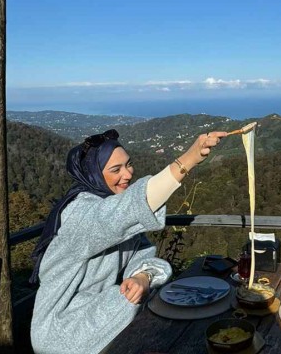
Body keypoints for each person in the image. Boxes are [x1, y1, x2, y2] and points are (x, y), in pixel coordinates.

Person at [29, 128, 227, 354]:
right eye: (116, 169)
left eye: (128, 164)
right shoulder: (79, 214)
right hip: (62, 329)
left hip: (100, 311)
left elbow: (143, 252)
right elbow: (122, 214)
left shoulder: (109, 203)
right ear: (93, 174)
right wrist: (188, 160)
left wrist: (143, 276)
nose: (128, 174)